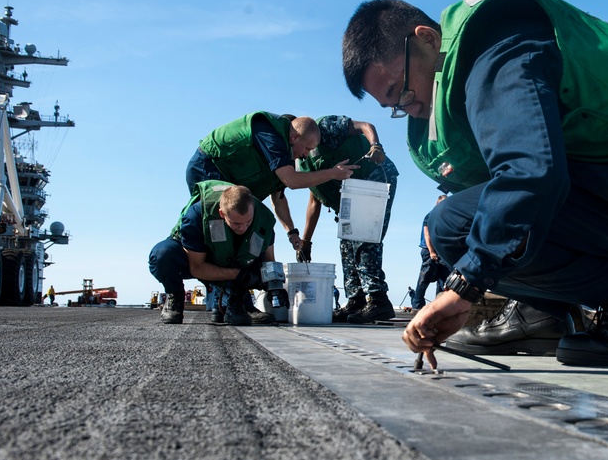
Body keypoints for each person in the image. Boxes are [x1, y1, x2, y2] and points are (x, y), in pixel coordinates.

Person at [342, 0, 608, 369]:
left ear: (427, 38)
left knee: (452, 227)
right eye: (393, 106)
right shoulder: (465, 73)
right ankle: (543, 315)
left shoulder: (497, 52)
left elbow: (529, 173)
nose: (408, 109)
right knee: (452, 218)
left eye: (402, 91)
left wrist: (464, 288)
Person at [185, 112, 358, 252]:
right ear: (294, 137)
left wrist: (292, 232)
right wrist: (332, 173)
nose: (306, 155)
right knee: (218, 228)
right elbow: (292, 181)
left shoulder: (283, 162)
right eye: (307, 148)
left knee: (254, 225)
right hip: (209, 167)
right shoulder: (270, 134)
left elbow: (278, 198)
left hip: (231, 183)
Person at [297, 115, 399, 324]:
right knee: (346, 242)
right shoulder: (303, 161)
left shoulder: (327, 126)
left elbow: (365, 125)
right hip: (350, 193)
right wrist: (306, 242)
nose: (304, 152)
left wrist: (376, 146)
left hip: (374, 174)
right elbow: (314, 202)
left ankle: (378, 299)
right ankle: (357, 299)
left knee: (364, 236)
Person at [148, 181, 278, 326]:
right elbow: (197, 268)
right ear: (222, 213)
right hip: (197, 257)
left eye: (248, 222)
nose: (243, 228)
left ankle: (237, 302)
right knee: (163, 255)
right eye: (236, 224)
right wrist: (238, 274)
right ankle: (175, 296)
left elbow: (269, 260)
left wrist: (274, 286)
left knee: (259, 266)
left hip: (236, 257)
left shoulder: (263, 219)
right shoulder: (196, 216)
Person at [411, 195, 451, 311]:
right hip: (429, 251)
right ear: (437, 204)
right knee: (425, 278)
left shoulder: (445, 217)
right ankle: (417, 305)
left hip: (441, 252)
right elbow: (427, 235)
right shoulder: (430, 216)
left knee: (443, 279)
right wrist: (432, 252)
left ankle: (438, 305)